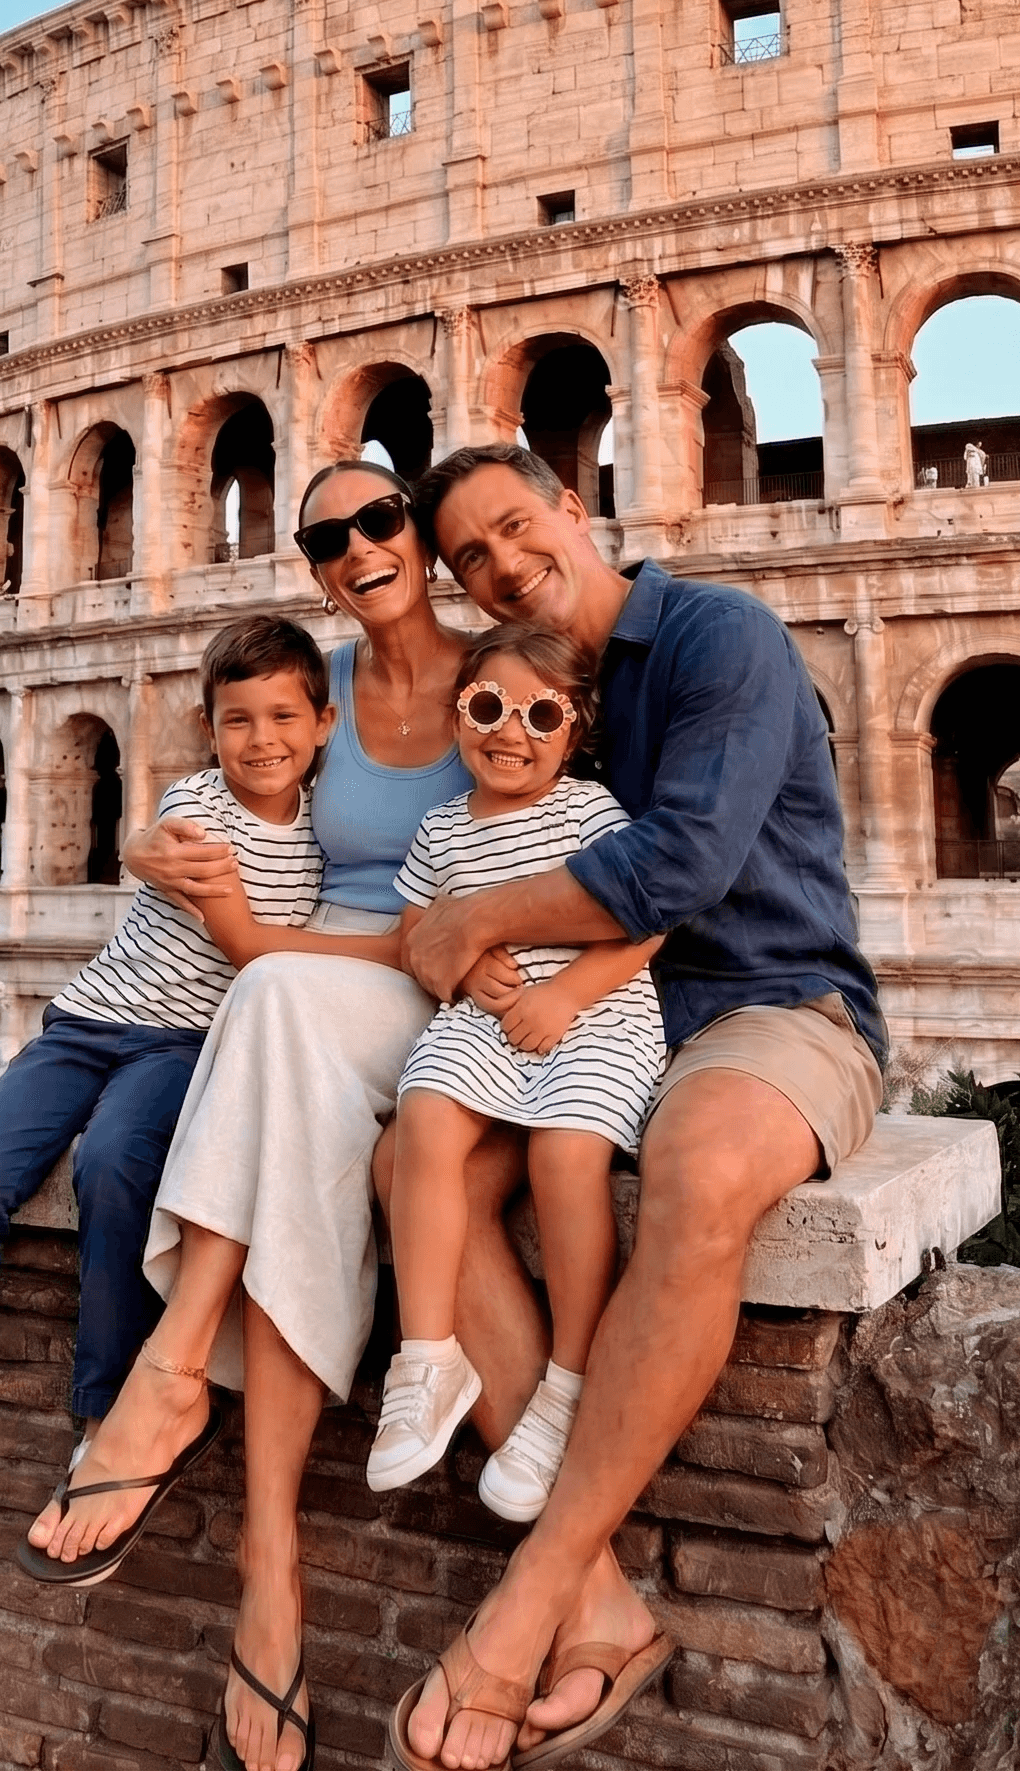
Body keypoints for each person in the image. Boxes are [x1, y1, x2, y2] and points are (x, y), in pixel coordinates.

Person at [387, 443, 886, 1771]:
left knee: (704, 1173)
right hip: (607, 1016)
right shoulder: (541, 691)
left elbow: (684, 860)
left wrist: (473, 920)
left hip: (772, 1000)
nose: (499, 564)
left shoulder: (719, 635)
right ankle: (603, 1591)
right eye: (469, 561)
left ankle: (532, 1594)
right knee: (415, 1167)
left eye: (511, 527)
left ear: (571, 503)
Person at [24, 461, 482, 1771]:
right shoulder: (316, 689)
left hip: (418, 974)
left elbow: (510, 877)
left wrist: (274, 945)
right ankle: (265, 1573)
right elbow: (206, 801)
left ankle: (172, 1378)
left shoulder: (496, 675)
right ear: (318, 566)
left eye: (381, 519)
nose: (358, 546)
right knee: (290, 1105)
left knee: (270, 997)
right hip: (293, 982)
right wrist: (142, 849)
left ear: (421, 534)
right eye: (326, 535)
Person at [0, 614, 329, 1586]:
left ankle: (103, 1423)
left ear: (322, 722)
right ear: (208, 725)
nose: (260, 739)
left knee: (113, 1171)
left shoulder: (322, 844)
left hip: (186, 1045)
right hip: (87, 1020)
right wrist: (146, 842)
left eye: (282, 716)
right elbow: (241, 938)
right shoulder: (196, 803)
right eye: (237, 719)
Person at [369, 625, 664, 1525]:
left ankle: (568, 1380)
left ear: (573, 733)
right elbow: (418, 936)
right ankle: (427, 1357)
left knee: (565, 1159)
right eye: (489, 707)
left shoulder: (590, 812)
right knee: (421, 1119)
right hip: (486, 1017)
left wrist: (568, 992)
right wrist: (456, 967)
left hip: (595, 1014)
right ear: (459, 715)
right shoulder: (441, 825)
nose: (512, 732)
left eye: (542, 715)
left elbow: (647, 921)